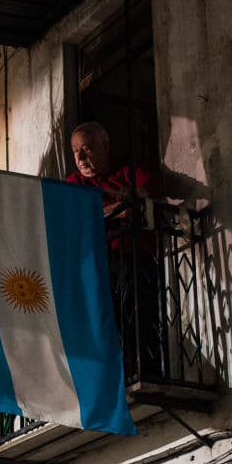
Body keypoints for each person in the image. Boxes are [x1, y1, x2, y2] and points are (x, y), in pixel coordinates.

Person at [66, 121, 163, 380]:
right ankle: (111, 377)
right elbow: (73, 217)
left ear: (105, 146)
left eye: (86, 149)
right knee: (103, 321)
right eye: (76, 152)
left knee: (137, 315)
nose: (81, 158)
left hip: (134, 260)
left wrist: (105, 212)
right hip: (96, 266)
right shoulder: (72, 184)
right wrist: (115, 208)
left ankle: (142, 372)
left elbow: (147, 194)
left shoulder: (127, 172)